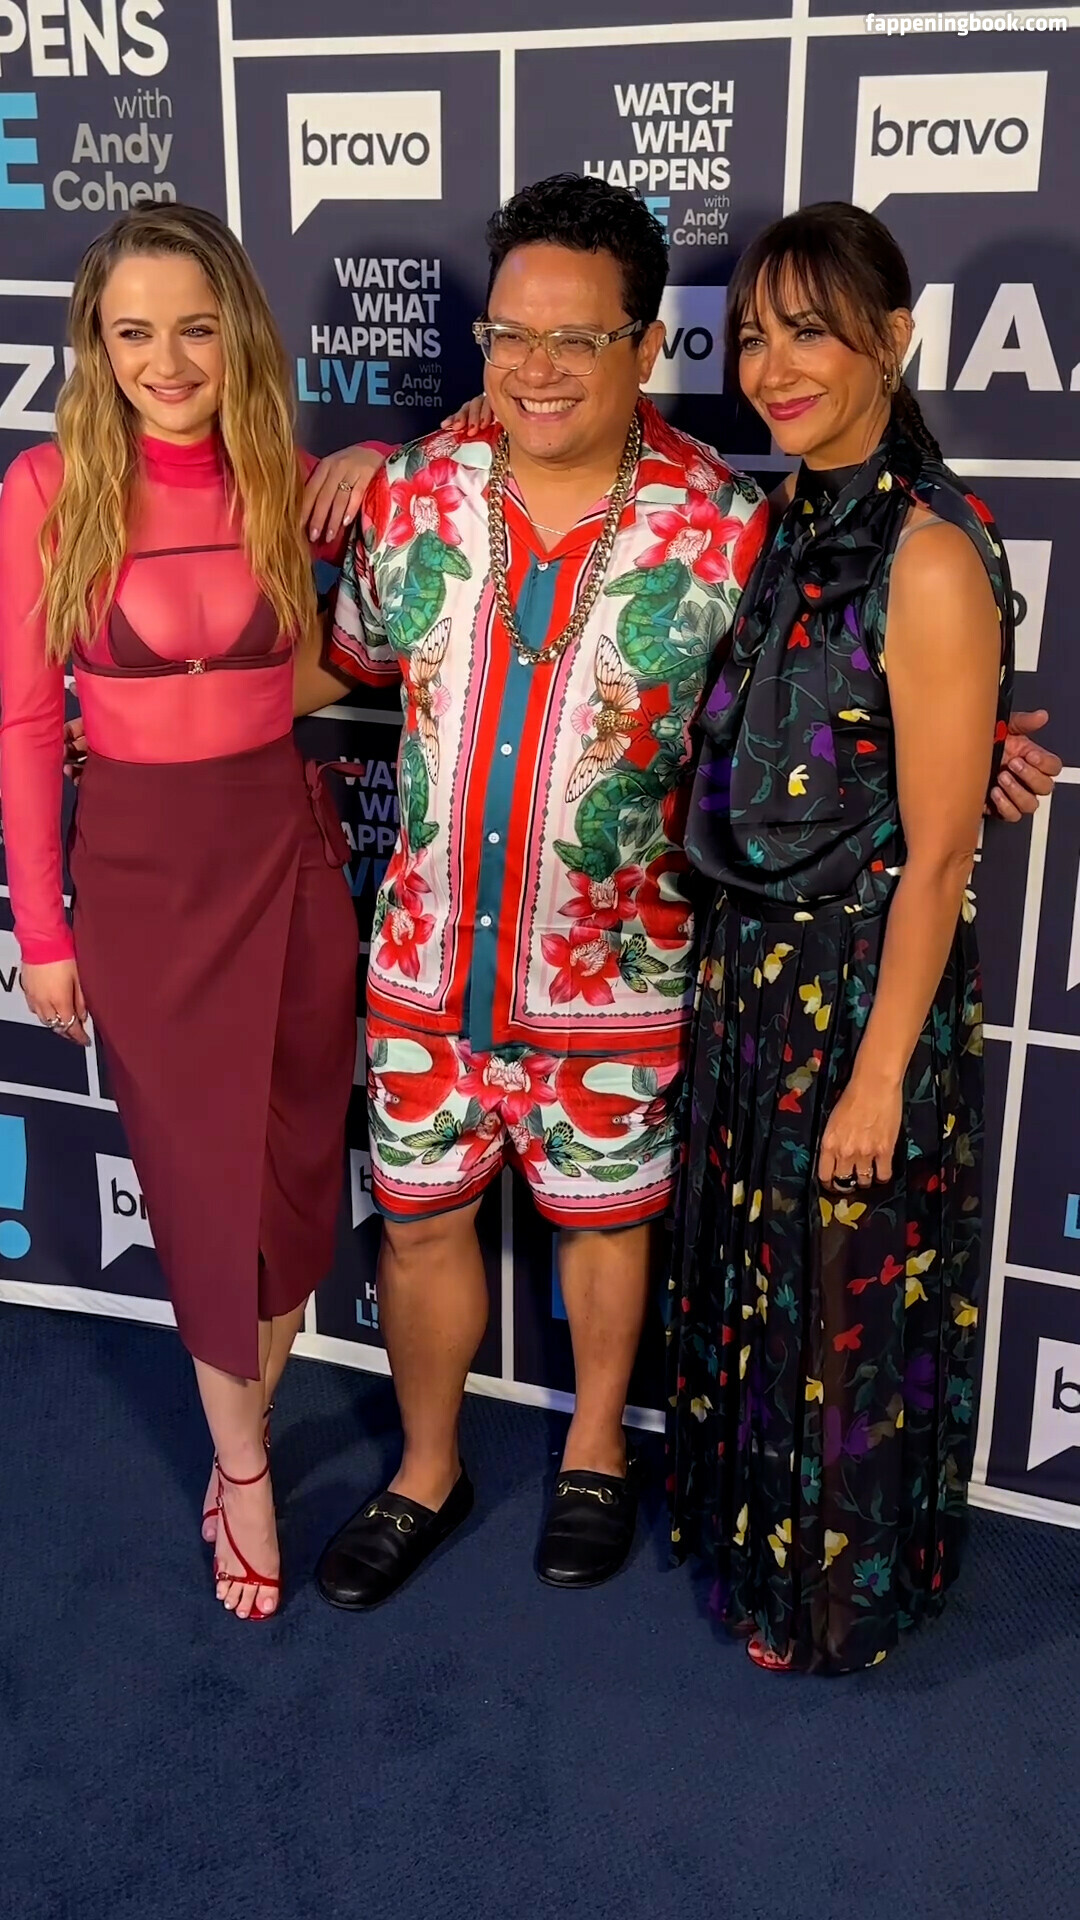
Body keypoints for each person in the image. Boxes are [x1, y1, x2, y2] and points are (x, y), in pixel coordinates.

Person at [300, 174, 1057, 1612]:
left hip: (624, 974)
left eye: (576, 339)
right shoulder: (413, 495)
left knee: (606, 1228)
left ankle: (596, 1451)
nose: (535, 367)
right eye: (510, 335)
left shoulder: (730, 528)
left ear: (647, 348)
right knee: (417, 1224)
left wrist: (975, 757)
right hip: (424, 967)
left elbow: (836, 706)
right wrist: (144, 710)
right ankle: (427, 1467)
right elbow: (342, 664)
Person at [0, 204, 370, 1622]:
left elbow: (391, 603)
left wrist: (377, 462)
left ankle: (239, 1430)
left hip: (288, 858)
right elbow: (24, 725)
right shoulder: (49, 488)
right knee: (203, 1193)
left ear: (239, 337)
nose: (169, 361)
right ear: (97, 345)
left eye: (197, 329)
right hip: (145, 887)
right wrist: (44, 931)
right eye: (135, 332)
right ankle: (249, 1473)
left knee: (290, 1185)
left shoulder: (282, 477)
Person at [668, 200, 1020, 1673]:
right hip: (756, 977)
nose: (771, 367)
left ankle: (837, 1602)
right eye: (754, 335)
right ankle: (762, 1559)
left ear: (894, 338)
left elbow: (938, 856)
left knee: (841, 1302)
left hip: (860, 993)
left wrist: (877, 1081)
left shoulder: (926, 552)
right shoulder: (792, 517)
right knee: (769, 1292)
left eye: (809, 331)